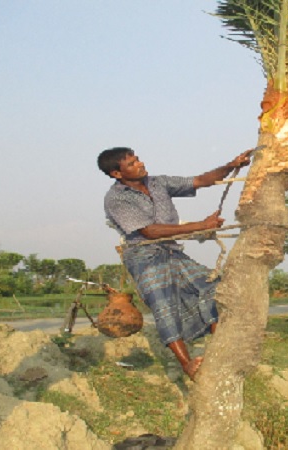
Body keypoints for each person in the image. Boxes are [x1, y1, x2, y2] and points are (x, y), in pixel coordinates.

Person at [97, 147, 251, 380]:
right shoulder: (116, 199)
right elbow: (149, 232)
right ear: (117, 174)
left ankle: (219, 349)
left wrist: (232, 165)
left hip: (171, 250)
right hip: (143, 256)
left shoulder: (158, 182)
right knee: (164, 306)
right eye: (131, 164)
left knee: (213, 286)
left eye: (137, 159)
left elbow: (200, 180)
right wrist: (200, 226)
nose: (139, 164)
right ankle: (187, 365)